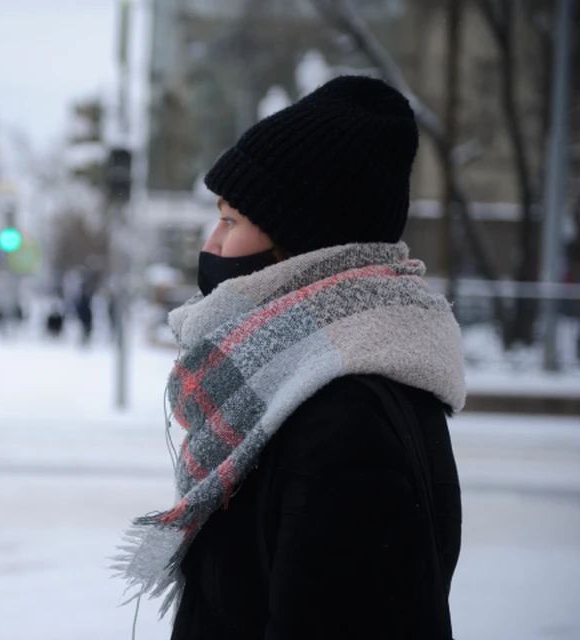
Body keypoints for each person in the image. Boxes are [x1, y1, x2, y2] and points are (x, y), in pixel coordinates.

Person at [115, 76, 466, 640]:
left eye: (230, 221)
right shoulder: (305, 387)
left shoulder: (343, 419)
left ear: (299, 240)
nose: (212, 245)